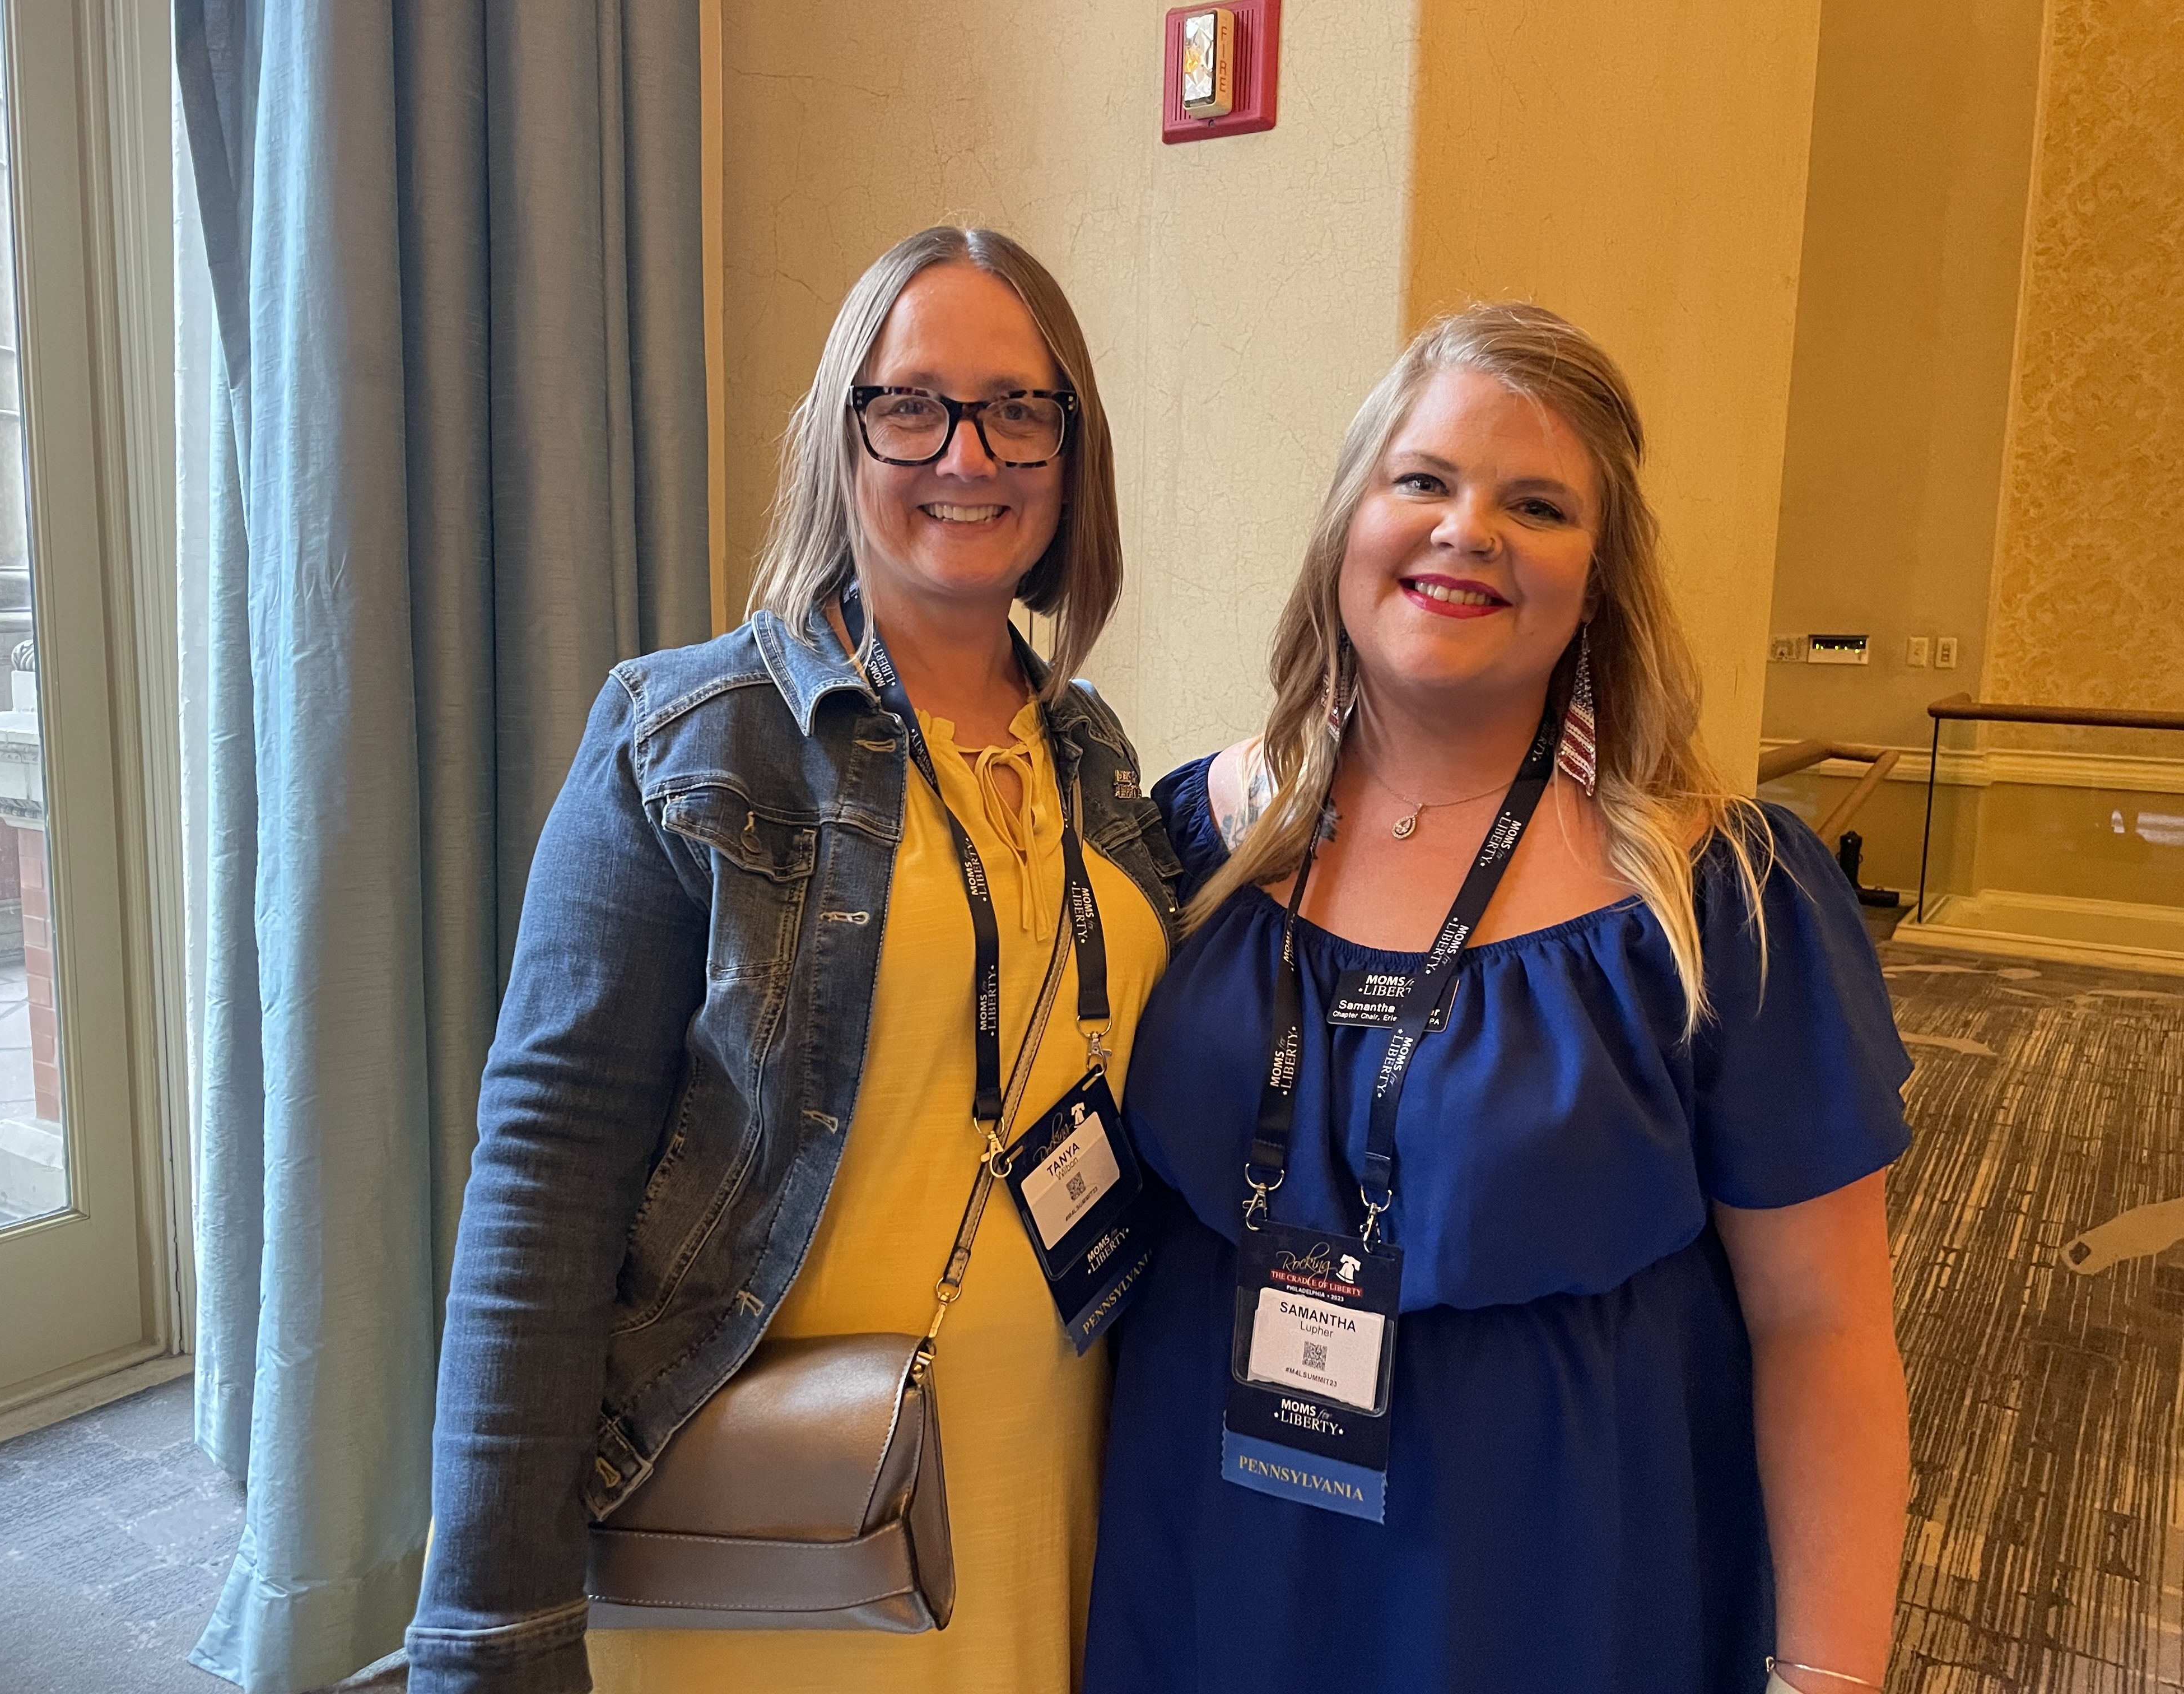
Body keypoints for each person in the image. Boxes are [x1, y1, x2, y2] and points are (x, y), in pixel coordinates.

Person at [1084, 302, 1912, 1694]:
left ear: (1599, 584)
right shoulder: (1189, 839)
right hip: (1214, 1550)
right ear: (1347, 527)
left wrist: (1829, 1680)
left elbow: (1821, 1328)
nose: (1467, 530)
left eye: (1537, 505)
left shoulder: (1715, 898)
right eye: (1424, 481)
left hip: (1549, 1578)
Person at [406, 226, 1181, 1694]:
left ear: (1071, 451)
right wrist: (493, 1624)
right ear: (842, 434)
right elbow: (542, 1185)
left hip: (1051, 1505)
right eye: (913, 405)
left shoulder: (1096, 761)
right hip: (772, 1536)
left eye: (1020, 409)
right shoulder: (690, 737)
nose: (968, 453)